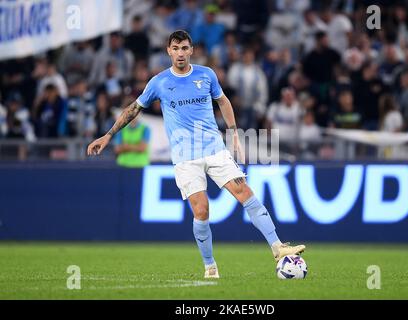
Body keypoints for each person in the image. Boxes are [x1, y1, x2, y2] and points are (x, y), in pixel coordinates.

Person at [87, 30, 305, 279]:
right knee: (202, 210)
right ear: (169, 51)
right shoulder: (158, 82)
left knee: (244, 191)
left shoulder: (206, 75)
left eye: (185, 48)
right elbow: (133, 109)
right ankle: (210, 266)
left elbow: (223, 101)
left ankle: (278, 247)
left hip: (214, 149)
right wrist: (108, 135)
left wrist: (234, 132)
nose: (180, 53)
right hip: (185, 157)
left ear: (191, 50)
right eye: (176, 48)